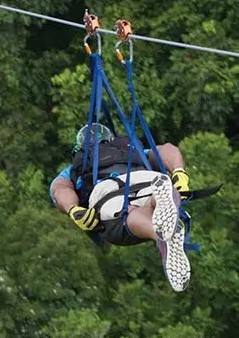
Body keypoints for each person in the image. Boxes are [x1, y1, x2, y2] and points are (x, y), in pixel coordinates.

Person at [49, 123, 193, 292]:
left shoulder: (75, 167)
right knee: (154, 195)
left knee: (127, 214)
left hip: (108, 191)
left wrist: (73, 209)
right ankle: (161, 202)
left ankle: (161, 236)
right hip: (147, 178)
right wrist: (178, 171)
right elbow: (165, 150)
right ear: (110, 139)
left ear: (79, 148)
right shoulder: (130, 151)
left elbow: (60, 189)